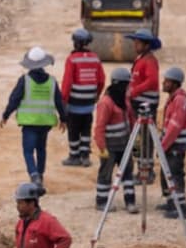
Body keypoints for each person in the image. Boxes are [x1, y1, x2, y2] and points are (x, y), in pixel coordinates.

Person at [0, 46, 67, 191]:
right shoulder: (52, 81)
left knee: (28, 150)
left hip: (29, 123)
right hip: (45, 123)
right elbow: (59, 101)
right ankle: (40, 175)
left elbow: (14, 99)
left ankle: (34, 175)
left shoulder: (25, 80)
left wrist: (6, 115)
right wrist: (63, 119)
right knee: (41, 149)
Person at [93, 68, 137, 213]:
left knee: (128, 174)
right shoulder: (106, 103)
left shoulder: (125, 101)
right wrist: (102, 148)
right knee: (105, 175)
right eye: (125, 85)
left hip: (124, 145)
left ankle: (130, 202)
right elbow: (99, 127)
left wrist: (135, 137)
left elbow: (131, 119)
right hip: (110, 147)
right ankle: (102, 201)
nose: (127, 88)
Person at [60, 29, 104, 168]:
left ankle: (74, 156)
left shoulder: (72, 59)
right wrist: (96, 95)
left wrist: (63, 100)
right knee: (86, 128)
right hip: (89, 103)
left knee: (73, 129)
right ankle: (85, 156)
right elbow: (101, 79)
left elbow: (67, 82)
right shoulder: (95, 58)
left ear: (76, 43)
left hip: (74, 102)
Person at [158, 67, 186, 219]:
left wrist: (162, 146)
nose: (163, 83)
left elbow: (174, 127)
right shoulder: (174, 98)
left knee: (174, 176)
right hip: (172, 144)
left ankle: (180, 208)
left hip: (176, 145)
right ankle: (172, 202)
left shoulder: (179, 100)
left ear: (175, 83)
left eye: (167, 81)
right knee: (167, 174)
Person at [125, 29, 161, 115]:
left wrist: (134, 91)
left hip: (145, 103)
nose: (135, 45)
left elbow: (152, 81)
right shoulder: (141, 59)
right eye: (135, 43)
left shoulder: (150, 61)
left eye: (138, 43)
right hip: (138, 101)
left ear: (147, 45)